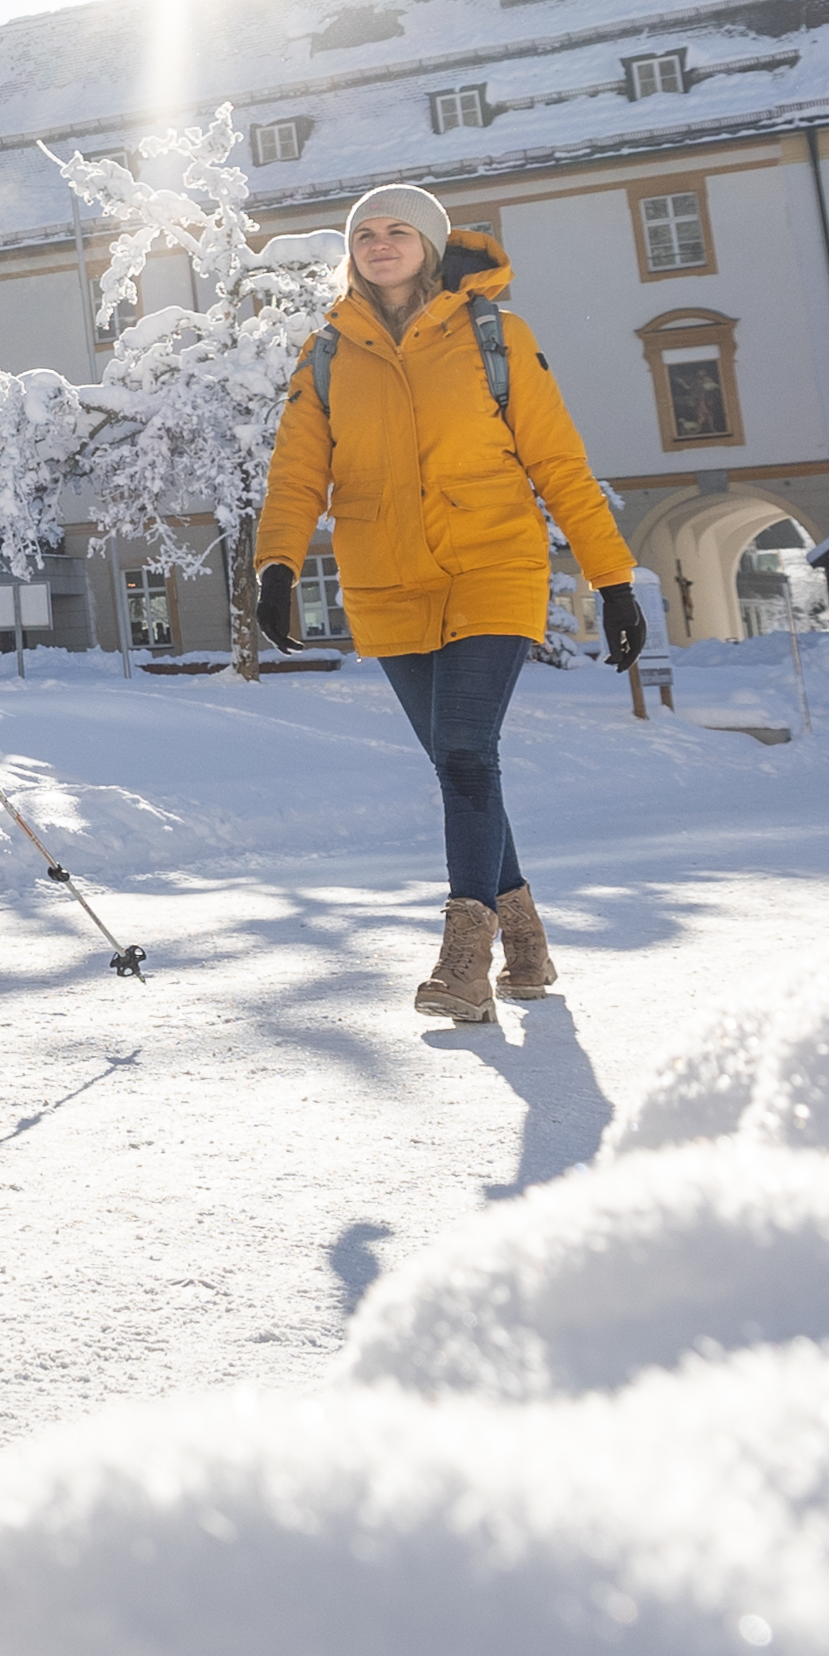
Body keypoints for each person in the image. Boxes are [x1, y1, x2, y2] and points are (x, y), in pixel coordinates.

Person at [253, 184, 644, 1027]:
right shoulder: (327, 352)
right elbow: (296, 472)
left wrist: (613, 580)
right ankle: (525, 937)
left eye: (398, 230)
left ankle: (465, 959)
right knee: (458, 760)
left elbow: (559, 463)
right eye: (365, 232)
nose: (379, 243)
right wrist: (276, 565)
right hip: (386, 579)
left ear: (430, 245)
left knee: (465, 748)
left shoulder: (497, 336)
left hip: (493, 565)